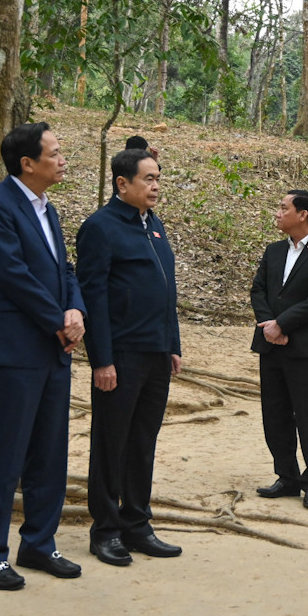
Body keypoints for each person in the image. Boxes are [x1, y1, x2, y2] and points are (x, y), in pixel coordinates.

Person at [0, 122, 86, 590]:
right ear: (27, 164)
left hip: (54, 349)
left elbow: (64, 268)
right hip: (14, 349)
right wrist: (59, 319)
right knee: (4, 454)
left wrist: (75, 308)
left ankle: (39, 542)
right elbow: (12, 275)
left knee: (49, 453)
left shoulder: (46, 209)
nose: (62, 159)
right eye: (55, 153)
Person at [76, 137, 184, 566]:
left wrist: (172, 344)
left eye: (158, 179)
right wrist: (101, 358)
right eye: (148, 180)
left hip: (157, 354)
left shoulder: (153, 225)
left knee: (143, 443)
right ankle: (106, 530)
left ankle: (137, 524)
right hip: (121, 356)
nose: (156, 186)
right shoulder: (101, 227)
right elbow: (93, 298)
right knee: (111, 444)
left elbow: (166, 292)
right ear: (123, 183)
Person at [248, 189, 308, 509]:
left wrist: (283, 325)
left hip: (304, 347)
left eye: (283, 207)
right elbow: (258, 289)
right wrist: (269, 325)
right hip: (270, 344)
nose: (278, 212)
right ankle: (286, 477)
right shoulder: (273, 251)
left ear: (302, 214)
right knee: (274, 414)